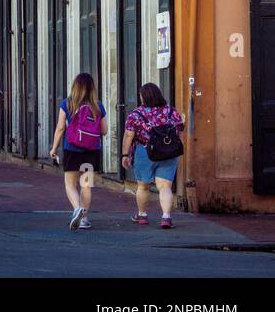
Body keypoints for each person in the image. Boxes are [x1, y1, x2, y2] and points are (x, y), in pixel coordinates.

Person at [122, 82, 186, 229]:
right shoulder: (171, 111)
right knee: (165, 187)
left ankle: (142, 215)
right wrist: (178, 150)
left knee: (143, 186)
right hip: (168, 152)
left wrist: (125, 155)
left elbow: (129, 136)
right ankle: (166, 217)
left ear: (143, 97)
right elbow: (180, 132)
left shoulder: (136, 115)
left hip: (144, 152)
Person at [50, 71, 107, 231]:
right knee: (86, 185)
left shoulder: (67, 104)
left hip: (72, 150)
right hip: (91, 151)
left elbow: (60, 128)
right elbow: (104, 130)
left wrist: (54, 148)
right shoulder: (98, 105)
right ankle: (84, 219)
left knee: (70, 184)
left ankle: (77, 209)